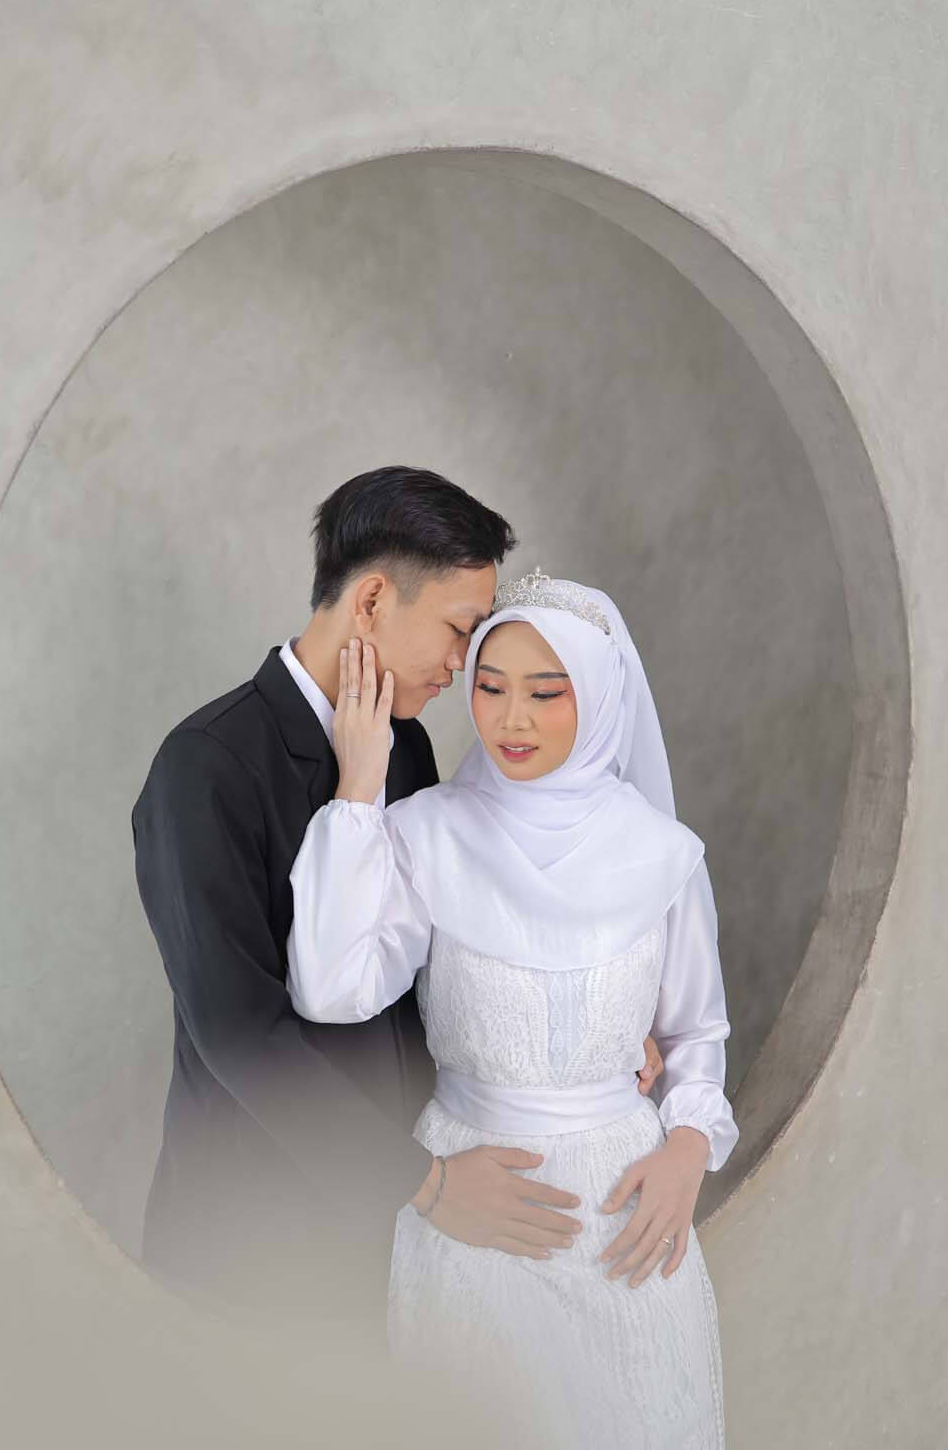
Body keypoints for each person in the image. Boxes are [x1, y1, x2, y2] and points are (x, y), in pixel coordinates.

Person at [131, 470, 668, 1329]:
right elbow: (238, 1032)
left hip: (394, 1236)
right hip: (252, 1236)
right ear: (373, 600)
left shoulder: (407, 748)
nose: (464, 665)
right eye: (458, 630)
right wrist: (427, 1184)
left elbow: (443, 953)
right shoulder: (205, 765)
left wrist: (589, 1021)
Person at [287, 567, 740, 1447]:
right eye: (490, 688)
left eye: (545, 692)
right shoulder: (424, 832)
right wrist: (357, 792)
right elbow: (334, 991)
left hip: (625, 1215)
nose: (510, 720)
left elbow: (695, 1030)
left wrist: (689, 1146)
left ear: (598, 698)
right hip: (470, 1200)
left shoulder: (663, 855)